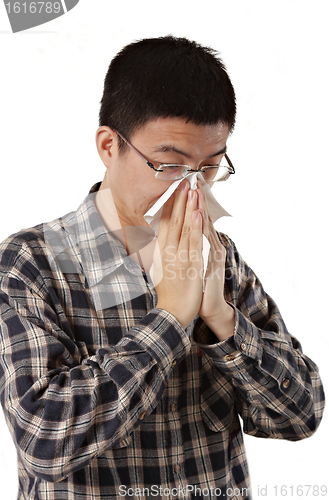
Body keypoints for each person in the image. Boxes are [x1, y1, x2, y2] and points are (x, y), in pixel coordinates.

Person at [0, 36, 325, 500]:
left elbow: (300, 416)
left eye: (210, 166)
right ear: (109, 146)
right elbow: (44, 443)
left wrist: (222, 319)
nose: (192, 189)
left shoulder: (219, 257)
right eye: (169, 165)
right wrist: (171, 318)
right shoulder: (29, 264)